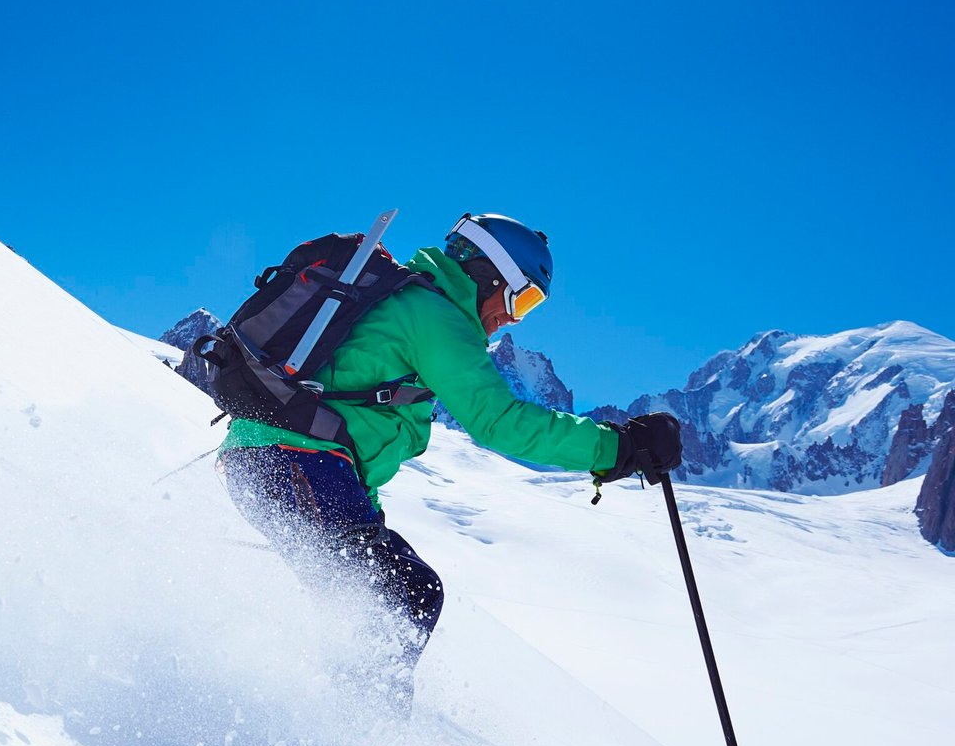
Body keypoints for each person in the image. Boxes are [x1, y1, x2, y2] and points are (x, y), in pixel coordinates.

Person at [216, 212, 681, 673]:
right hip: (293, 462)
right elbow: (500, 421)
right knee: (403, 595)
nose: (512, 318)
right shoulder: (436, 316)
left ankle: (322, 714)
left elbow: (354, 436)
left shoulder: (411, 305)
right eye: (524, 299)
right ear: (490, 274)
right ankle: (358, 733)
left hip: (277, 461)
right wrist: (618, 447)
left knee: (375, 598)